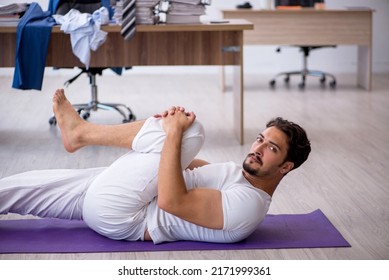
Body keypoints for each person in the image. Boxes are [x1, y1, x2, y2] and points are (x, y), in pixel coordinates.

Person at [0, 89, 311, 244]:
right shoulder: (241, 176)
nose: (257, 149)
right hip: (121, 195)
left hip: (126, 213)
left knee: (192, 130)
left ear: (285, 167)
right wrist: (164, 138)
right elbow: (194, 171)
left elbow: (171, 201)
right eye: (260, 139)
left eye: (271, 148)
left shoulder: (248, 206)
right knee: (23, 185)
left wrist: (174, 134)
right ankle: (79, 134)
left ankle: (81, 133)